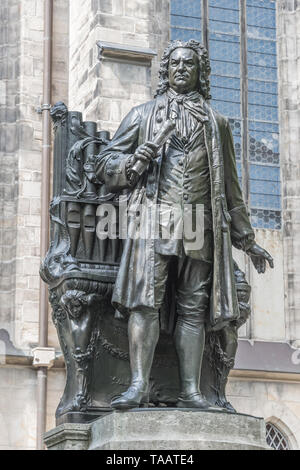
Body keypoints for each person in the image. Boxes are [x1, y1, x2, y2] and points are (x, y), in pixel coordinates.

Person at [95, 39, 273, 410]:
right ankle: (139, 386)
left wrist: (247, 239)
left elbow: (232, 189)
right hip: (153, 222)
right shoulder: (143, 115)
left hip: (200, 226)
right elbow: (105, 163)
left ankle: (192, 391)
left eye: (188, 64)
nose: (180, 69)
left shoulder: (217, 124)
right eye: (174, 63)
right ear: (166, 71)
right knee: (145, 303)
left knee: (194, 308)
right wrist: (133, 162)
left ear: (199, 72)